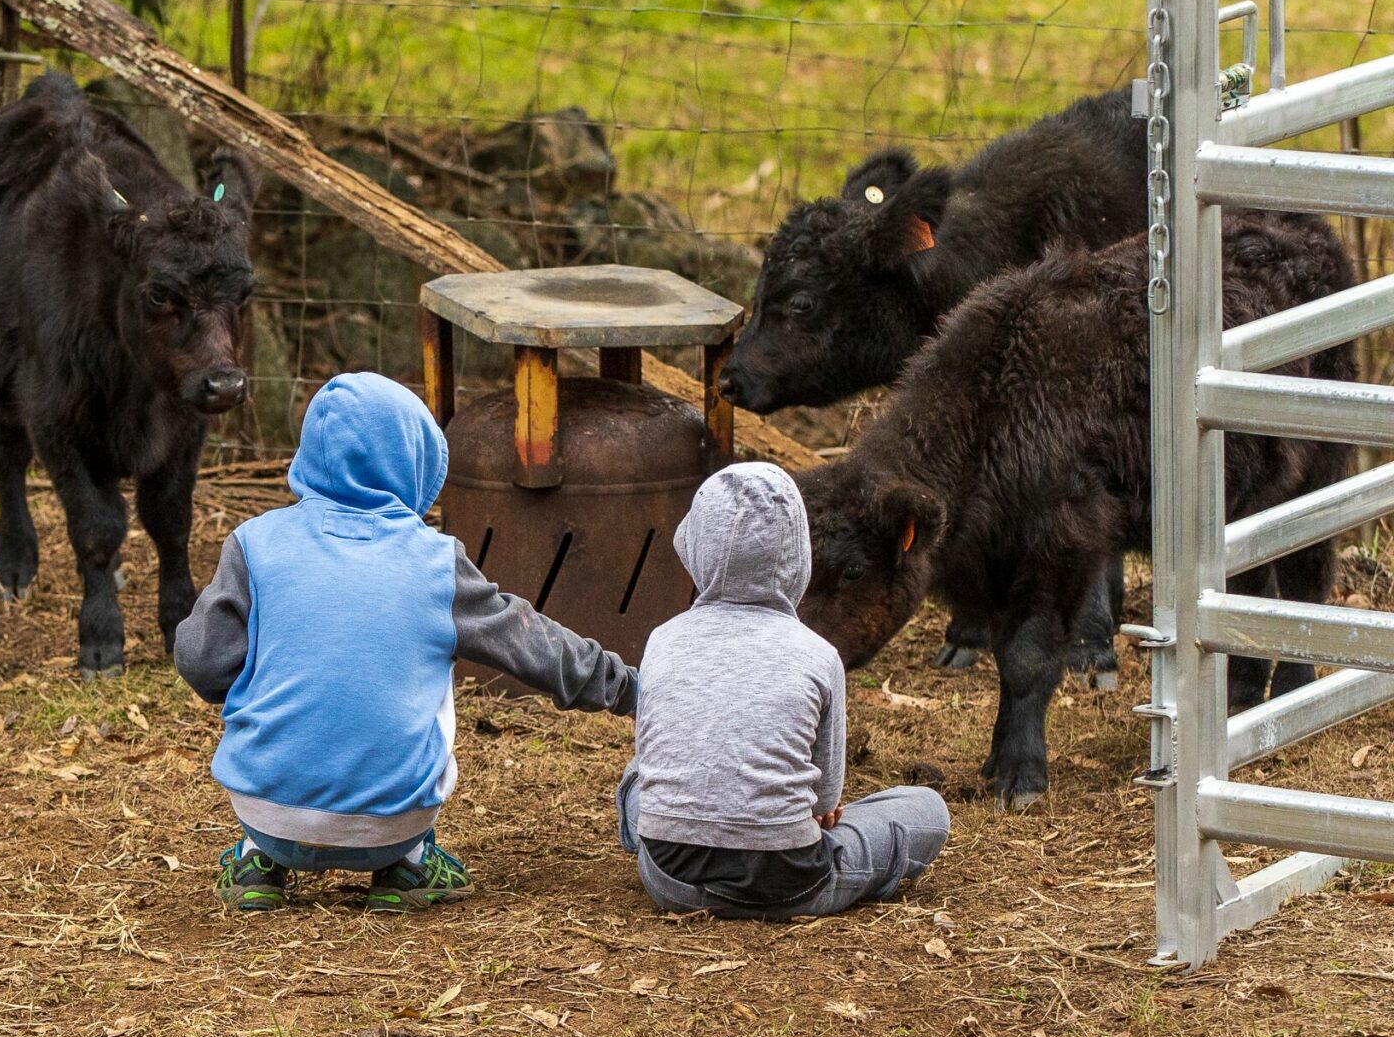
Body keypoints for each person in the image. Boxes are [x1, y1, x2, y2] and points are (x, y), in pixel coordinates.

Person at [175, 371, 636, 914]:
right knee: (422, 682)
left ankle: (259, 862)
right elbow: (531, 645)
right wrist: (628, 688)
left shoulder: (254, 543)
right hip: (389, 823)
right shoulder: (436, 561)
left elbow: (200, 659)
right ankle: (409, 864)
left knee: (282, 715)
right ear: (411, 461)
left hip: (267, 809)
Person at [618, 460, 949, 919]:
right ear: (800, 556)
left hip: (670, 881)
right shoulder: (818, 654)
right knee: (928, 810)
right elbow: (826, 801)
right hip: (791, 882)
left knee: (640, 772)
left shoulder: (662, 638)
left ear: (694, 548)